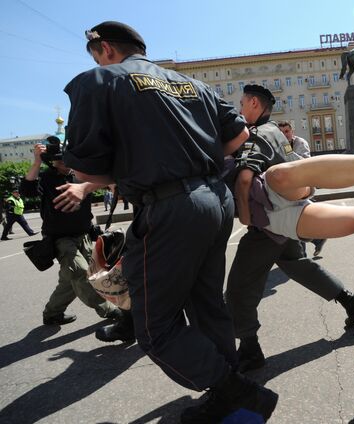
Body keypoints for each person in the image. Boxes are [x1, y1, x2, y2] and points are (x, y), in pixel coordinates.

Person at [62, 21, 277, 423]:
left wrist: (120, 174)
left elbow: (85, 165)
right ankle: (228, 398)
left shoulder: (99, 81)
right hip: (215, 199)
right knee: (207, 305)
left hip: (168, 207)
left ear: (105, 49)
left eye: (94, 53)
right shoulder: (193, 85)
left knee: (154, 326)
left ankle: (238, 394)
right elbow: (238, 137)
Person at [225, 86, 354, 376]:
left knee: (239, 289)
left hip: (267, 223)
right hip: (288, 219)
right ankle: (350, 300)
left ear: (255, 103)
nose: (240, 109)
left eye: (242, 103)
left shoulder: (258, 134)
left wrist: (244, 217)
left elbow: (244, 180)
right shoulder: (278, 132)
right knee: (299, 265)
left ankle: (250, 350)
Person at [19, 138, 122, 325]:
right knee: (81, 273)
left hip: (84, 235)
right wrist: (36, 162)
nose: (65, 162)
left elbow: (109, 182)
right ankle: (110, 311)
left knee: (69, 280)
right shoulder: (46, 178)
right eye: (60, 159)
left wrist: (113, 184)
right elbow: (26, 190)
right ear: (52, 161)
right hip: (60, 239)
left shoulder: (81, 176)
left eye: (68, 158)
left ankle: (52, 313)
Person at [278, 120, 326, 257]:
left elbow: (304, 163)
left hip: (302, 187)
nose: (284, 134)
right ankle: (317, 239)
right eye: (281, 132)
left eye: (286, 131)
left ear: (292, 131)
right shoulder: (278, 145)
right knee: (295, 220)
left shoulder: (300, 143)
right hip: (287, 188)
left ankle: (302, 255)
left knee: (297, 218)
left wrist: (286, 149)